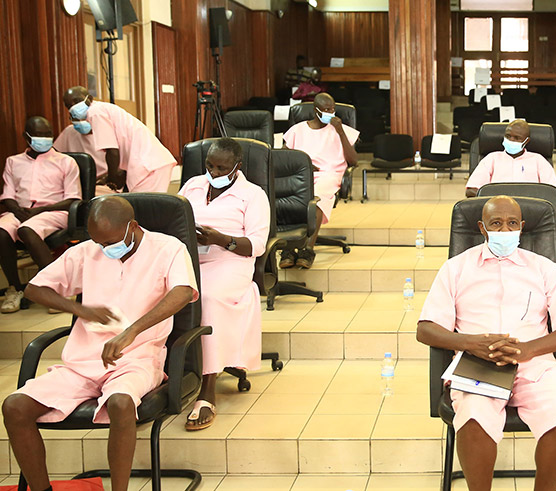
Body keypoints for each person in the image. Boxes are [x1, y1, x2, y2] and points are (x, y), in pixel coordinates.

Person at [1, 195, 198, 491]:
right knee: (14, 407)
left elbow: (183, 291)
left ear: (132, 226)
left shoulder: (168, 249)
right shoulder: (88, 251)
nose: (104, 249)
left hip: (138, 359)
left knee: (120, 403)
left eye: (109, 242)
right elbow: (34, 288)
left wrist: (131, 331)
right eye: (98, 242)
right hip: (82, 362)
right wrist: (80, 310)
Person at [417, 196, 556, 491]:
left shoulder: (544, 268)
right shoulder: (455, 269)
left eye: (511, 224)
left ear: (522, 227)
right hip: (477, 364)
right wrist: (471, 343)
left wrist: (528, 349)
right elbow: (426, 329)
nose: (504, 230)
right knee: (473, 418)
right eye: (496, 223)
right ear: (482, 228)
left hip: (535, 363)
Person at [178, 138, 270, 431]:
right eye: (209, 166)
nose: (213, 173)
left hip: (230, 263)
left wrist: (219, 239)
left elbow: (256, 245)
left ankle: (207, 391)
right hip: (188, 259)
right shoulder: (192, 185)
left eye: (221, 168)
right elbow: (172, 219)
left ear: (236, 168)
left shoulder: (253, 195)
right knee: (157, 294)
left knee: (207, 298)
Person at [0, 116, 81, 314]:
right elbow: (7, 196)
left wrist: (39, 211)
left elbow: (73, 198)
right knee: (2, 231)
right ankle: (15, 289)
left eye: (48, 134)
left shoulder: (66, 162)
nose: (45, 138)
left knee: (27, 230)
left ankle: (56, 289)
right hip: (21, 212)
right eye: (39, 135)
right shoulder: (13, 162)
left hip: (54, 212)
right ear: (26, 137)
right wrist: (19, 211)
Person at [282, 92, 359, 269]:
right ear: (316, 111)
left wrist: (340, 132)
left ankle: (307, 250)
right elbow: (283, 157)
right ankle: (288, 249)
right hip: (301, 174)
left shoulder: (341, 130)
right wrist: (304, 165)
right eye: (326, 110)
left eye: (332, 109)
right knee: (285, 197)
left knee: (316, 199)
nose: (330, 113)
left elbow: (354, 160)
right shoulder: (298, 130)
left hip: (328, 175)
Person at [61, 86, 177, 192]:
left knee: (144, 209)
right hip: (149, 163)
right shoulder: (102, 109)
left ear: (89, 98)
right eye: (69, 105)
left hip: (149, 165)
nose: (74, 107)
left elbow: (112, 151)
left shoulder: (95, 113)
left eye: (76, 101)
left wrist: (112, 180)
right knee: (140, 208)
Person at [465, 119, 556, 198]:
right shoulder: (491, 158)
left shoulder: (538, 160)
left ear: (526, 141)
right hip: (496, 210)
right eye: (508, 136)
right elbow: (471, 191)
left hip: (531, 210)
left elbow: (553, 193)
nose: (511, 140)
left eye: (517, 138)